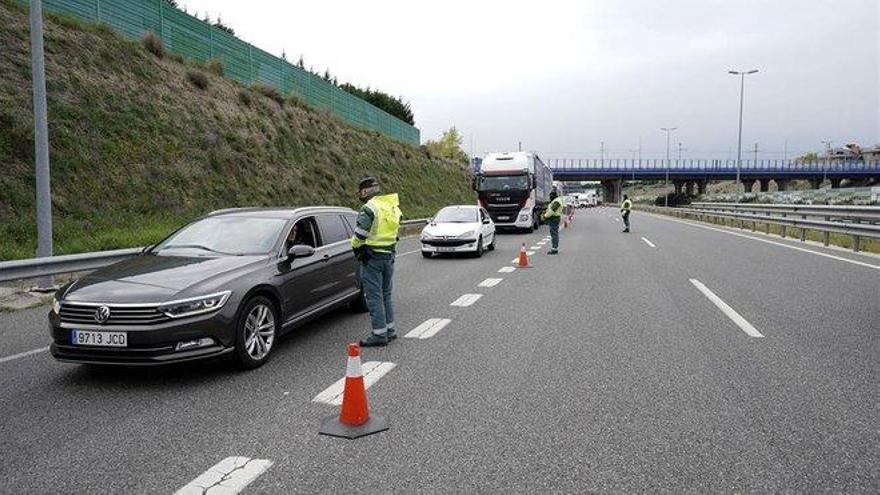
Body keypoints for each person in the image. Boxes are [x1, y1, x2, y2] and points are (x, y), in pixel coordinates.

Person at [351, 177, 402, 347]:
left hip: (372, 258)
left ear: (365, 191)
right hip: (389, 256)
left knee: (374, 297)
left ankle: (379, 335)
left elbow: (359, 235)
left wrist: (357, 248)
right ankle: (390, 330)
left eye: (360, 191)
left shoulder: (369, 208)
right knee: (386, 294)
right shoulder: (390, 206)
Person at [542, 189, 564, 254]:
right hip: (554, 218)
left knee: (554, 234)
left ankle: (554, 249)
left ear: (554, 195)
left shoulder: (557, 201)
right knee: (554, 233)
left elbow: (552, 210)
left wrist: (545, 216)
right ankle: (554, 248)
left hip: (554, 219)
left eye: (551, 195)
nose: (550, 196)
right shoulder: (555, 200)